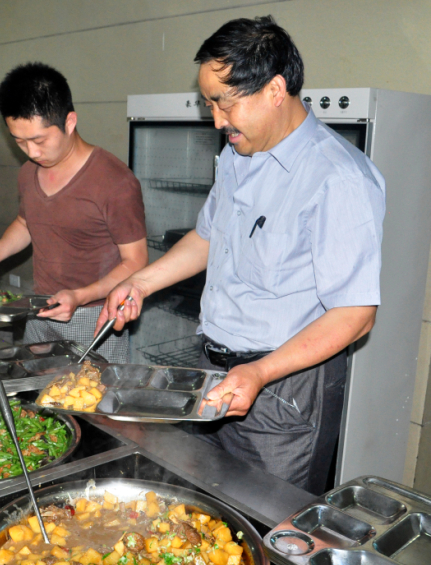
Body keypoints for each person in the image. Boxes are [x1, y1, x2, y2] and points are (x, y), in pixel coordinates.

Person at [98, 16, 386, 494]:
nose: (216, 120)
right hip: (213, 371)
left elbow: (356, 315)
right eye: (209, 104)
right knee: (201, 506)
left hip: (282, 391)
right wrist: (140, 283)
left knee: (267, 518)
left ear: (275, 90)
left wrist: (259, 372)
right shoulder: (238, 154)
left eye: (225, 103)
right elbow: (209, 237)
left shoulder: (339, 178)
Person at [0, 62, 148, 363]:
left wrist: (79, 296)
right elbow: (26, 223)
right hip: (40, 308)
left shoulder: (115, 181)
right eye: (19, 141)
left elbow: (136, 261)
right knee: (37, 386)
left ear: (70, 122)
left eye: (39, 140)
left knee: (92, 393)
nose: (31, 152)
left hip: (95, 315)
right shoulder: (28, 172)